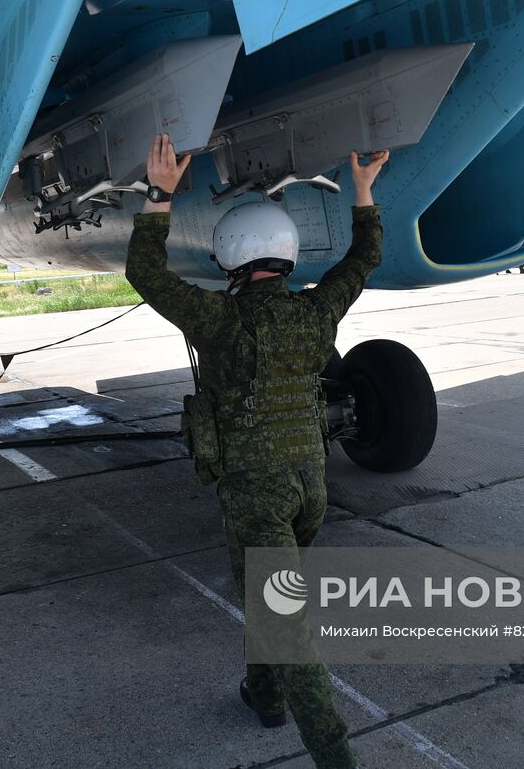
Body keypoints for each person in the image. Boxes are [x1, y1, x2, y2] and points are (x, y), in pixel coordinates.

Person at [124, 134, 388, 769]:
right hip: (310, 489)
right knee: (278, 605)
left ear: (228, 256)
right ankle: (265, 694)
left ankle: (335, 755)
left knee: (285, 626)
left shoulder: (218, 323)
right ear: (288, 253)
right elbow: (364, 259)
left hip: (255, 493)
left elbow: (145, 272)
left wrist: (160, 194)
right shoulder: (317, 313)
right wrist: (362, 190)